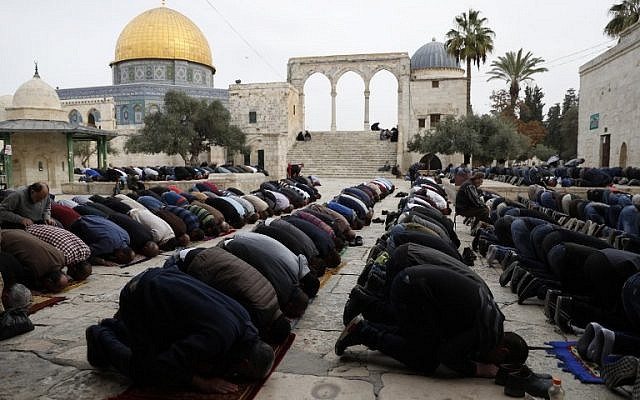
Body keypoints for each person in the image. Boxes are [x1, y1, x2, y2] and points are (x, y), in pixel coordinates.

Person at [85, 266, 275, 394]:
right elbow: (166, 363)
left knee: (164, 346)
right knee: (147, 372)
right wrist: (202, 383)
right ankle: (99, 335)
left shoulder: (245, 323)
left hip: (163, 278)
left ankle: (114, 326)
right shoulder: (217, 338)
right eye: (241, 374)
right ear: (245, 362)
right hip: (139, 293)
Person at [335, 264, 528, 377]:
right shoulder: (487, 334)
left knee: (425, 339)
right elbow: (446, 354)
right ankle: (364, 332)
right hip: (412, 290)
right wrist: (480, 369)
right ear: (503, 352)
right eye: (499, 362)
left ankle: (364, 324)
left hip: (413, 281)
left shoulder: (494, 322)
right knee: (425, 360)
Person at [168, 247, 291, 344]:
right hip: (198, 264)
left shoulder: (273, 296)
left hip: (212, 253)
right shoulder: (259, 313)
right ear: (269, 330)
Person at [1, 229, 69, 292]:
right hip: (2, 239)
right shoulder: (36, 270)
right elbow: (25, 283)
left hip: (14, 231)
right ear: (49, 281)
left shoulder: (61, 258)